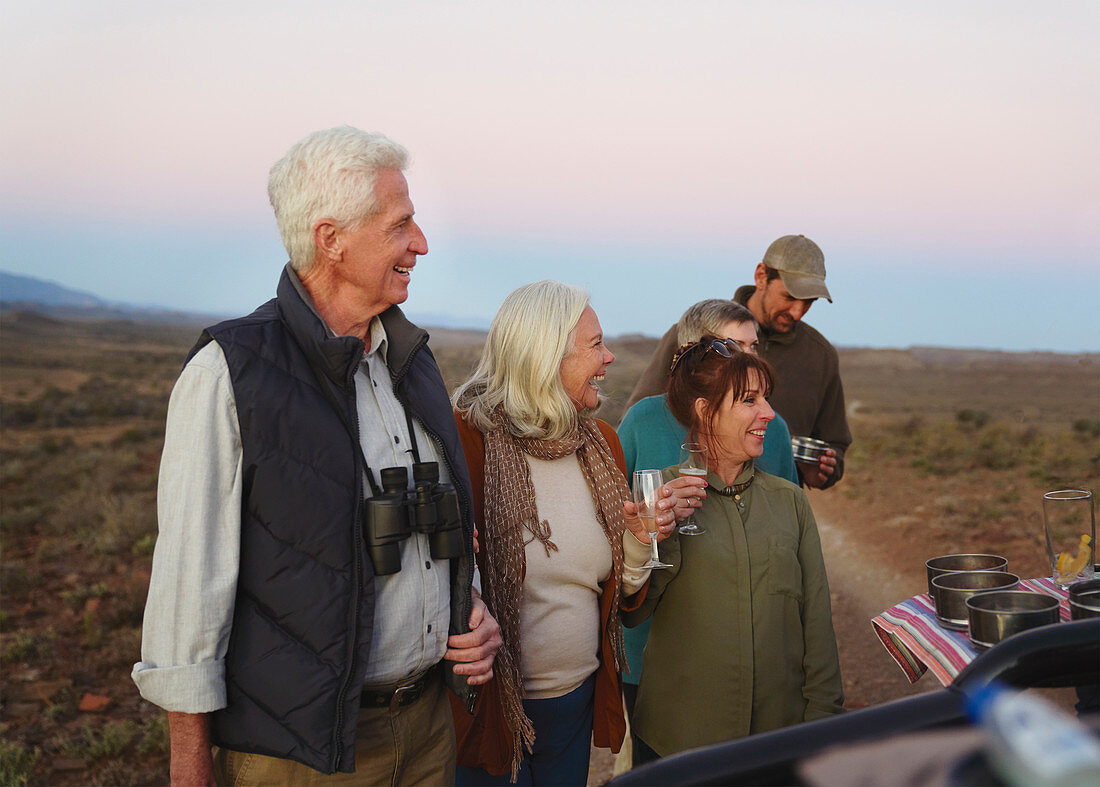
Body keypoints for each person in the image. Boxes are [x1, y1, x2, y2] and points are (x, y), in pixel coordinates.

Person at [132, 127, 502, 786]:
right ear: (331, 239)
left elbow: (432, 523)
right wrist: (190, 760)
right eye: (401, 225)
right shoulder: (232, 373)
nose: (421, 244)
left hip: (425, 730)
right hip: (300, 754)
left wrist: (469, 607)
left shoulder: (411, 364)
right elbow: (188, 582)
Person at [449, 281, 704, 785]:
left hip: (576, 703)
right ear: (544, 356)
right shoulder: (465, 441)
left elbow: (620, 591)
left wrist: (637, 539)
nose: (609, 357)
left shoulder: (600, 443)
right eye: (595, 345)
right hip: (488, 710)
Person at [623, 337, 844, 762]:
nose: (769, 413)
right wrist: (653, 531)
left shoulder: (789, 501)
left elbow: (816, 621)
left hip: (776, 739)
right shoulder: (663, 494)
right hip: (679, 739)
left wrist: (823, 718)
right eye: (749, 400)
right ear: (706, 412)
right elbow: (633, 608)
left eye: (766, 398)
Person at [616, 299, 798, 752]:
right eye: (735, 347)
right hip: (651, 644)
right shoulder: (642, 420)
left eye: (754, 347)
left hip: (740, 645)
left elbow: (789, 531)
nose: (750, 360)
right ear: (692, 353)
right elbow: (612, 516)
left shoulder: (771, 430)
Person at [624, 234, 852, 489]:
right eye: (789, 297)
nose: (798, 312)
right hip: (683, 500)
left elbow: (834, 443)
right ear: (761, 276)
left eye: (809, 302)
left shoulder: (819, 356)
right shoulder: (693, 334)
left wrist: (824, 470)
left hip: (768, 508)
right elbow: (644, 424)